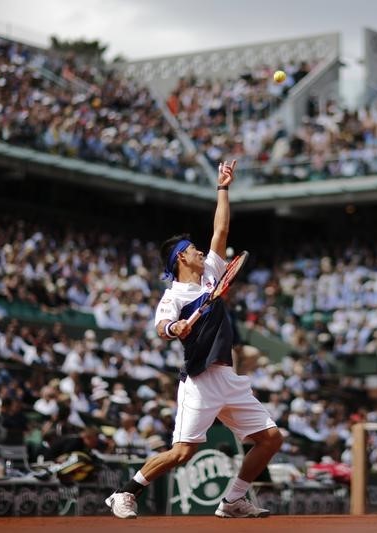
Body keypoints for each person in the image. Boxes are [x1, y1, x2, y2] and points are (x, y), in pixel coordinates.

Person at [106, 160, 282, 519]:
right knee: (182, 452)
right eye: (194, 250)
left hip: (228, 377)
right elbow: (162, 326)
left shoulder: (212, 273)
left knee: (271, 439)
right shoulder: (173, 296)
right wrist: (175, 329)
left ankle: (232, 501)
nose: (202, 251)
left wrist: (223, 188)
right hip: (200, 381)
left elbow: (221, 229)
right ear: (180, 258)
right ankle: (124, 493)